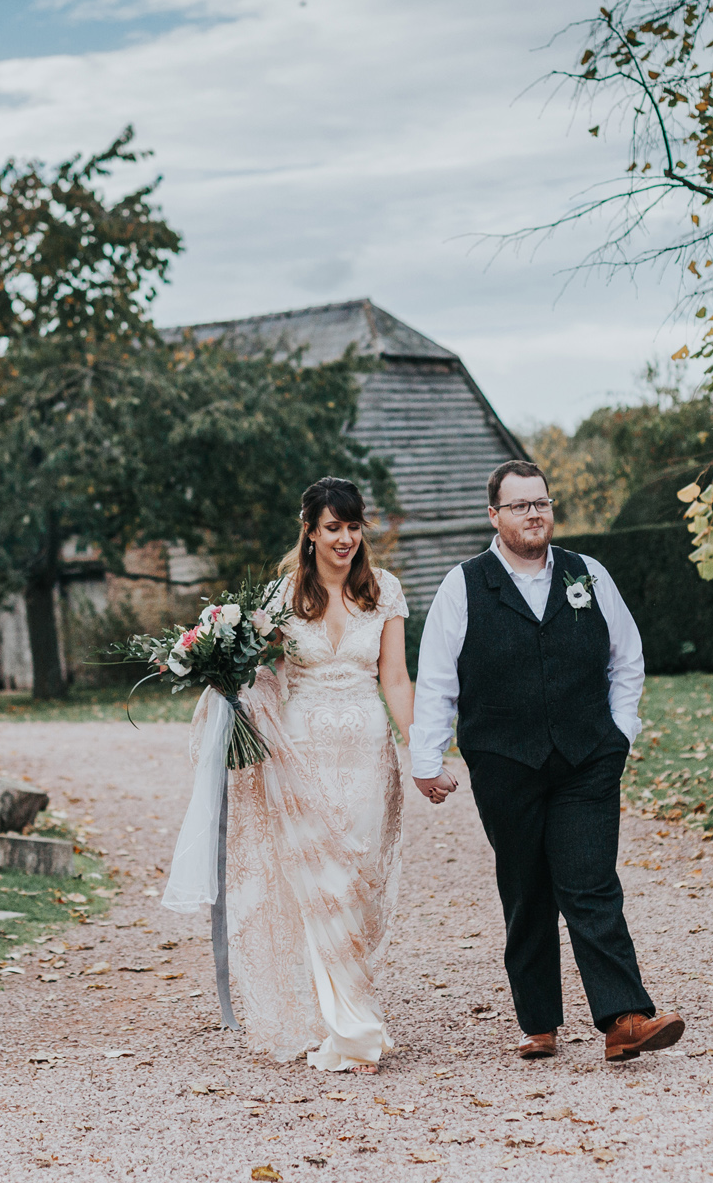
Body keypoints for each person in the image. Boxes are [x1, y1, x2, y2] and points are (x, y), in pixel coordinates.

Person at [410, 459, 684, 1062]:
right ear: (495, 516)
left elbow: (627, 657)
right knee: (526, 887)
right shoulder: (465, 584)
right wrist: (426, 758)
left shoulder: (589, 574)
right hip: (505, 763)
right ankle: (538, 1021)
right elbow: (436, 680)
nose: (533, 513)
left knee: (590, 883)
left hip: (587, 759)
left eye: (541, 502)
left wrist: (621, 734)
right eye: (519, 505)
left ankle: (624, 1019)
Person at [213, 476, 412, 1072]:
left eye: (354, 527)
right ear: (309, 530)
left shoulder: (385, 593)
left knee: (359, 882)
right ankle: (350, 1027)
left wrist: (423, 750)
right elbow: (250, 671)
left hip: (367, 757)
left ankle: (349, 1004)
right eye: (333, 527)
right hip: (300, 760)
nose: (346, 538)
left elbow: (395, 679)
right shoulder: (280, 601)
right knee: (320, 886)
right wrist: (223, 676)